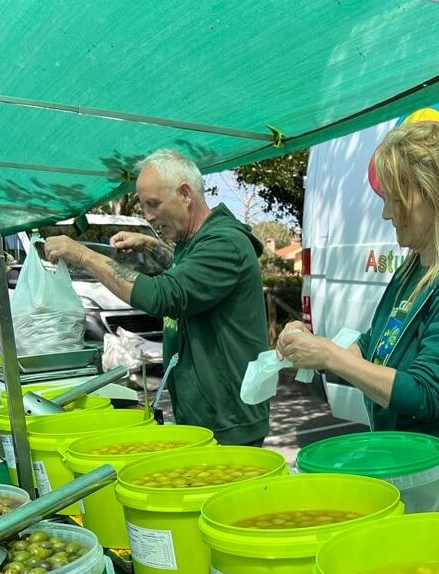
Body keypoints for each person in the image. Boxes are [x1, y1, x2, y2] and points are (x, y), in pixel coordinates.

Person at [276, 122, 439, 513]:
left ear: (435, 196)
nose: (386, 212)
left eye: (395, 198)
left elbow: (426, 394)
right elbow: (374, 346)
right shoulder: (415, 268)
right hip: (414, 462)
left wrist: (329, 356)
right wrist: (310, 348)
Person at [45, 149, 270, 446]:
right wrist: (151, 245)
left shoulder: (225, 244)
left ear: (186, 194)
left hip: (228, 422)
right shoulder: (196, 243)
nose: (148, 215)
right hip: (206, 418)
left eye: (154, 204)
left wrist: (83, 254)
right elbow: (186, 273)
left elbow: (165, 294)